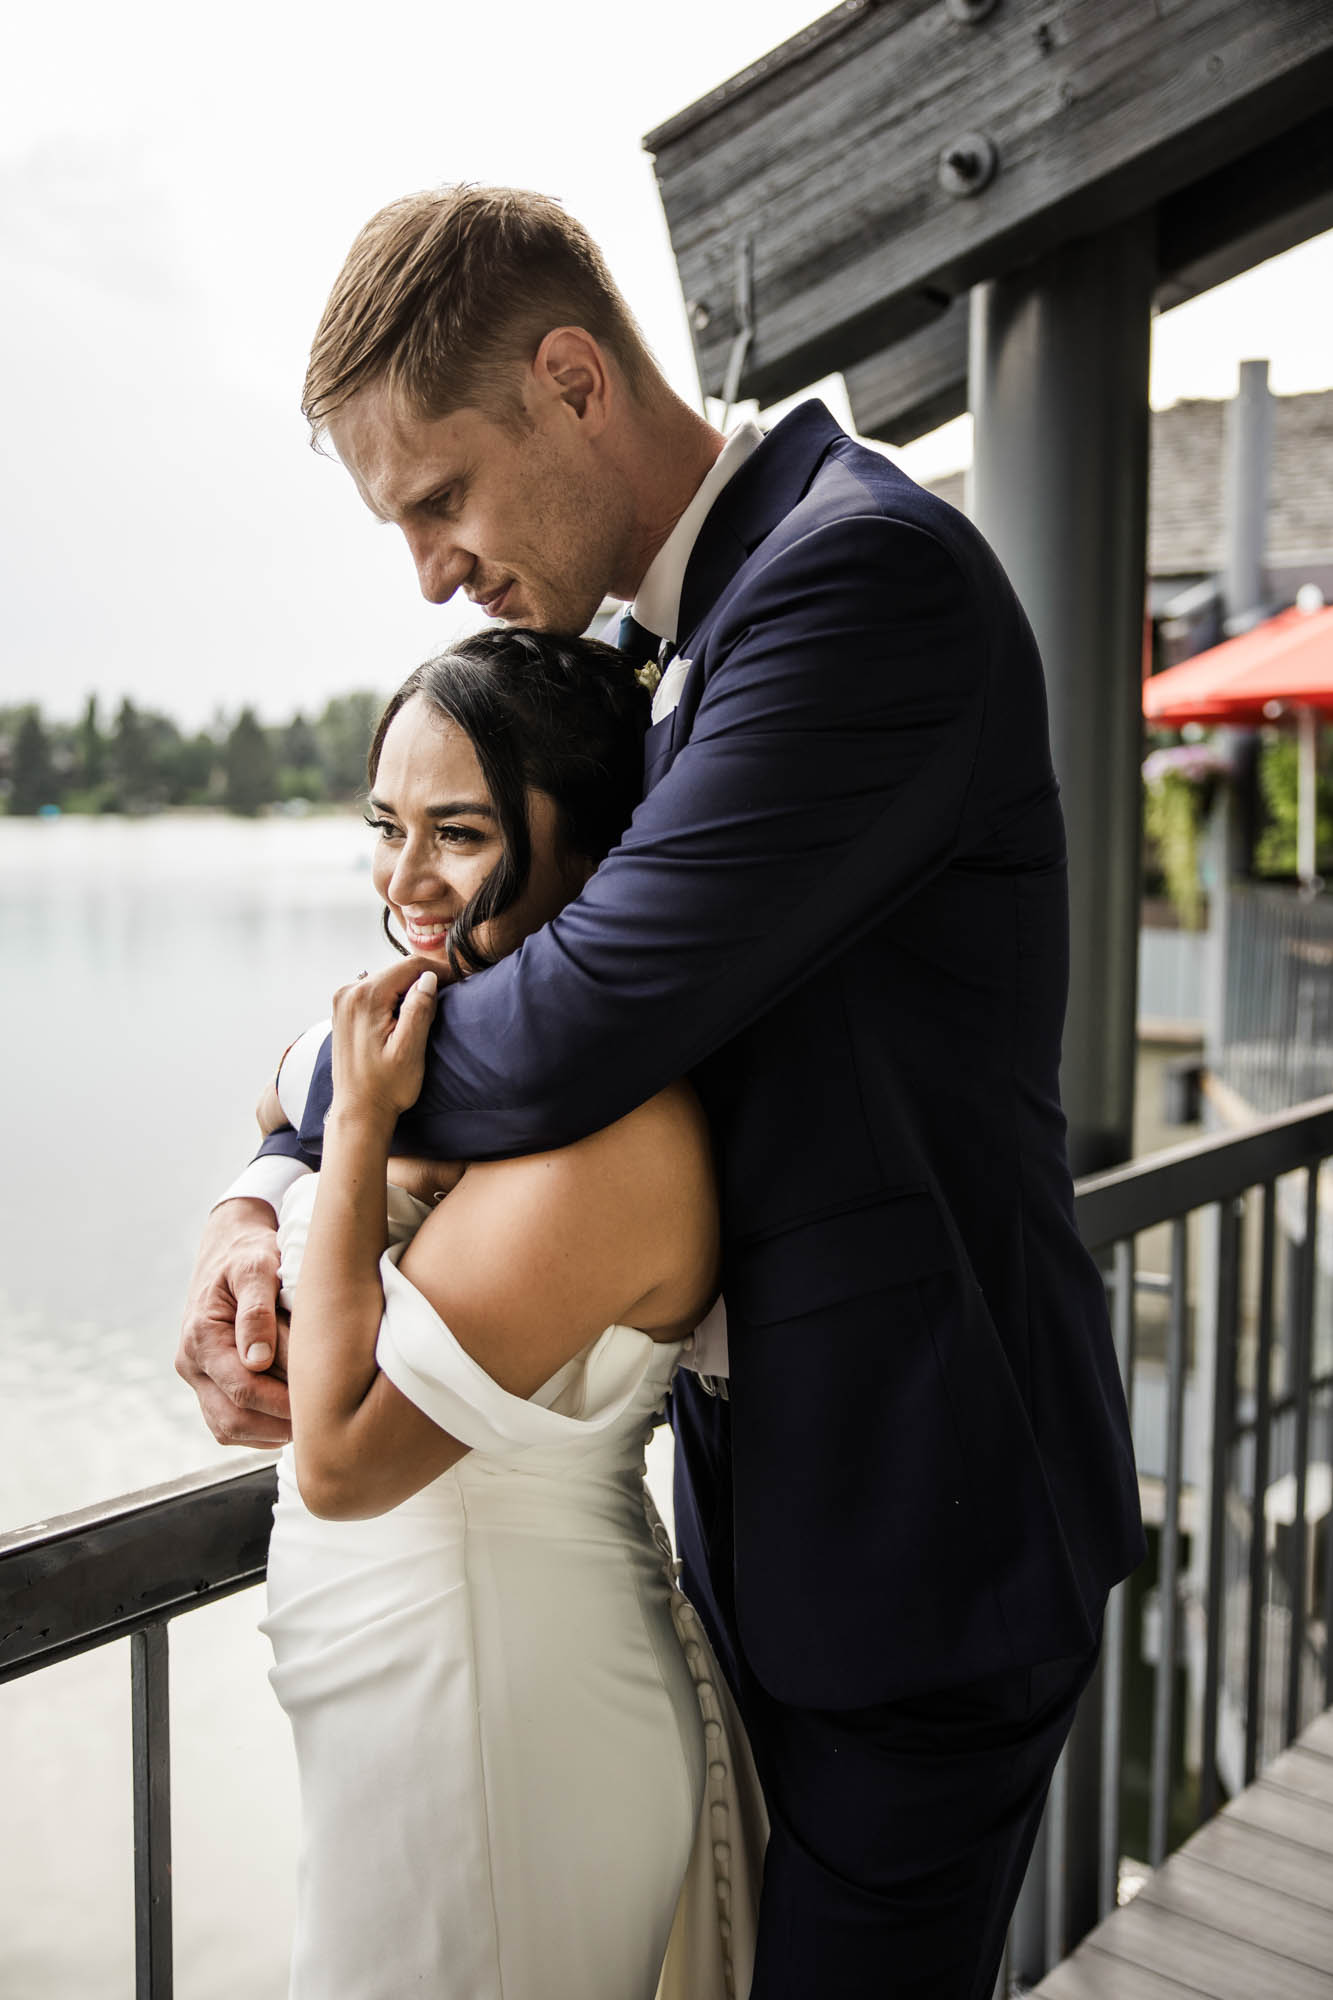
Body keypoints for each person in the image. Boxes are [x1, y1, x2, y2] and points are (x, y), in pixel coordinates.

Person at [179, 186, 1145, 1997]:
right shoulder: (666, 644)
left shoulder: (858, 584)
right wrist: (265, 1189)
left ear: (571, 381)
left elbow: (571, 1024)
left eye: (441, 500)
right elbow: (506, 976)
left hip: (922, 1532)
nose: (432, 575)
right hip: (769, 1526)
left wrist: (336, 1070)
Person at [259, 626, 765, 2000]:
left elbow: (344, 1459)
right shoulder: (472, 1055)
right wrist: (257, 1188)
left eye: (460, 835)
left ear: (596, 857)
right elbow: (280, 1090)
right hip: (407, 1688)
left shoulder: (614, 1140)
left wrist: (356, 1127)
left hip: (500, 1704)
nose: (406, 882)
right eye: (386, 828)